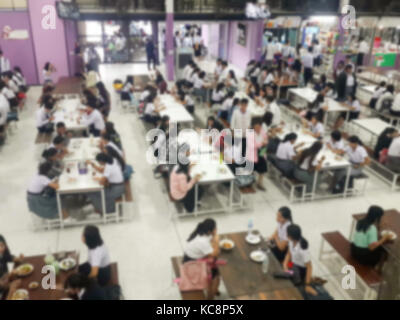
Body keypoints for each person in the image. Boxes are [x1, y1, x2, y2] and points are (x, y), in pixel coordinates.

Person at [183, 219, 220, 300]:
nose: (216, 229)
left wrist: (213, 238)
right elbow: (215, 254)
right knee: (216, 275)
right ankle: (211, 297)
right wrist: (216, 240)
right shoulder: (202, 242)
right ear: (210, 231)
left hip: (188, 258)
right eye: (215, 228)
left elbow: (210, 242)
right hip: (191, 265)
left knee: (213, 264)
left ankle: (214, 290)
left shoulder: (200, 232)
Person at [283, 224, 316, 296]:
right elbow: (289, 254)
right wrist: (285, 265)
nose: (286, 235)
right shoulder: (291, 242)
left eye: (287, 233)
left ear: (291, 236)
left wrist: (307, 284)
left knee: (296, 290)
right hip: (293, 264)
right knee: (283, 275)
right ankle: (291, 275)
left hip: (301, 270)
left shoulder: (303, 249)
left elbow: (309, 267)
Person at [248, 119, 268, 190]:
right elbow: (251, 145)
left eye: (259, 127)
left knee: (262, 168)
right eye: (256, 127)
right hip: (253, 152)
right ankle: (249, 182)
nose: (258, 128)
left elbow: (266, 139)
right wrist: (261, 144)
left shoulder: (262, 132)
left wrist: (265, 142)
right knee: (251, 169)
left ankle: (260, 183)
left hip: (262, 151)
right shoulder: (250, 134)